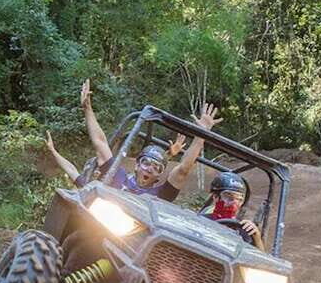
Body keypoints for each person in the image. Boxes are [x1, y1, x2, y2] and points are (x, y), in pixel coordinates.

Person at [75, 78, 222, 201]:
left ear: (160, 175)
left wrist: (201, 134)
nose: (150, 169)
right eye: (146, 163)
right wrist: (87, 109)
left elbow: (183, 170)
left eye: (157, 167)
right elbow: (100, 143)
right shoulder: (117, 176)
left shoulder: (161, 194)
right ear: (137, 165)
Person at [202, 171, 265, 251]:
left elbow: (260, 261)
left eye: (239, 199)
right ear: (215, 197)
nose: (234, 203)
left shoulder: (243, 230)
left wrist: (256, 237)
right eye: (229, 197)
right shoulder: (201, 221)